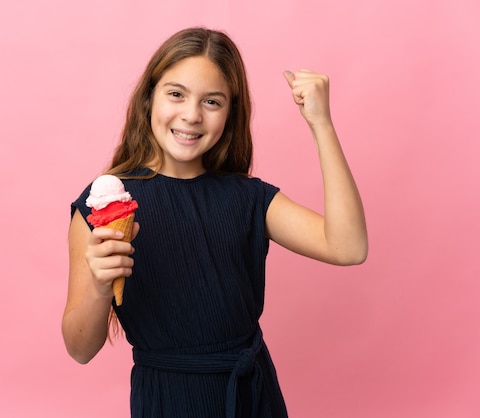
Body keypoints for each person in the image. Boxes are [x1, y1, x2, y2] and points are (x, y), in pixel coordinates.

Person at [62, 27, 368, 418]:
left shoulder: (249, 198)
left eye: (212, 101)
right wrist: (101, 285)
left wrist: (321, 124)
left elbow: (349, 247)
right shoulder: (104, 207)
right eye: (176, 93)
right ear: (148, 98)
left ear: (230, 113)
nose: (191, 115)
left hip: (252, 396)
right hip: (169, 401)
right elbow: (79, 348)